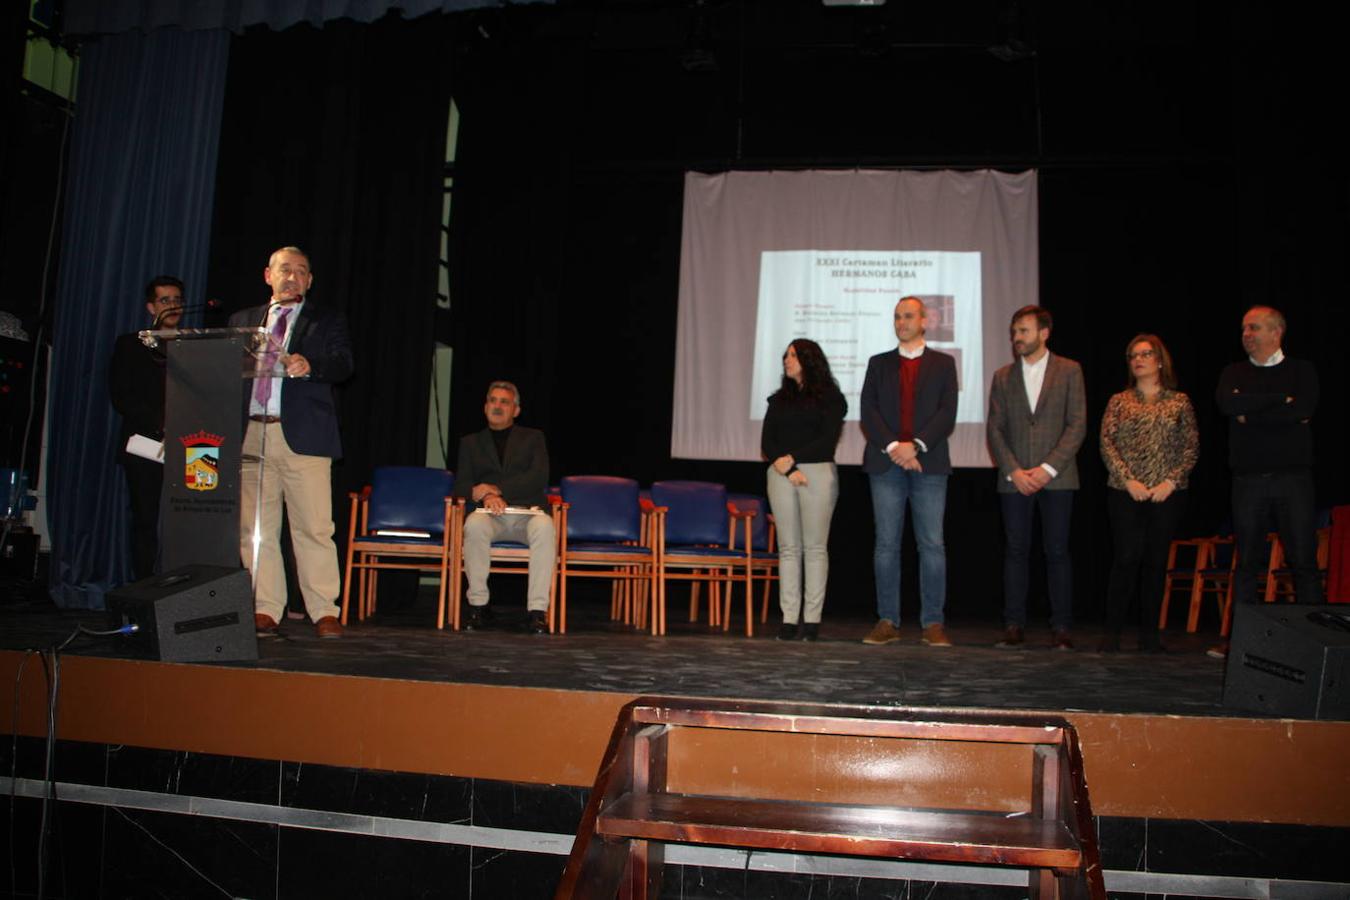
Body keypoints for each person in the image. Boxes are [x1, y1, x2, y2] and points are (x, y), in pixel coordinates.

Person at [230, 246, 353, 639]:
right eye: (286, 270)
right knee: (256, 529)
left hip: (304, 436)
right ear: (268, 274)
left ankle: (323, 610)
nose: (293, 277)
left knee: (314, 528)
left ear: (310, 280)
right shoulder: (244, 321)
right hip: (252, 431)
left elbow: (343, 364)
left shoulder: (326, 320)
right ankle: (265, 606)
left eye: (302, 272)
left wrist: (311, 366)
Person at [1210, 306, 1321, 659]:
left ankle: (1316, 642)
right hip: (1248, 481)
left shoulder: (1302, 371)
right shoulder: (1233, 372)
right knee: (1248, 563)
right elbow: (1229, 405)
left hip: (1293, 480)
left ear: (1277, 332)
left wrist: (1252, 412)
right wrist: (1278, 402)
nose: (1246, 334)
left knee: (1302, 560)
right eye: (1244, 328)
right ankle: (1241, 641)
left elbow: (1302, 409)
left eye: (1254, 327)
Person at [986, 305, 1087, 650]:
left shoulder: (1070, 370)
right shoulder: (1002, 376)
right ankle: (1014, 624)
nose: (1017, 338)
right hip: (1015, 479)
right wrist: (1014, 470)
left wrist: (1047, 469)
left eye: (1024, 331)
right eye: (1014, 332)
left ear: (1044, 333)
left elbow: (1077, 425)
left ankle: (1062, 627)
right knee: (1015, 550)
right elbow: (995, 430)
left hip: (1056, 478)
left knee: (1057, 551)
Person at [860, 296, 958, 647]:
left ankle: (932, 623)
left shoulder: (944, 364)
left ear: (925, 320)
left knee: (931, 545)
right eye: (897, 317)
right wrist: (894, 448)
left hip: (928, 464)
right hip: (885, 464)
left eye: (908, 316)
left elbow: (947, 412)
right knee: (886, 545)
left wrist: (914, 446)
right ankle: (888, 620)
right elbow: (868, 411)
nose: (901, 322)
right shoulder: (878, 363)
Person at [1099, 334, 1199, 652]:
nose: (1138, 360)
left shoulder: (1179, 401)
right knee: (1126, 558)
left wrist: (1171, 481)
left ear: (1159, 360)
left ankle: (1149, 636)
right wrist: (1128, 480)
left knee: (1156, 561)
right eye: (1133, 355)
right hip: (1125, 492)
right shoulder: (1119, 400)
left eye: (1145, 354)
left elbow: (1191, 446)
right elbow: (1107, 443)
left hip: (1167, 494)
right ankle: (1112, 633)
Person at [760, 339, 847, 641]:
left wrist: (794, 461)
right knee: (788, 548)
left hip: (816, 473)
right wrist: (785, 466)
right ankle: (788, 618)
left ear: (810, 360)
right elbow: (767, 442)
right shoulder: (778, 399)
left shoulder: (831, 398)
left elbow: (827, 440)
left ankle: (811, 620)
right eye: (786, 355)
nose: (787, 359)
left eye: (794, 355)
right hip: (781, 473)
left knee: (814, 548)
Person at [454, 381, 556, 635]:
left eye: (504, 402)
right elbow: (462, 484)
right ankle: (478, 606)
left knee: (545, 526)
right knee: (474, 525)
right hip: (489, 516)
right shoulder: (470, 443)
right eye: (493, 401)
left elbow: (538, 477)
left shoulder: (533, 438)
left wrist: (494, 490)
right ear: (485, 406)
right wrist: (482, 495)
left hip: (527, 514)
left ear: (516, 410)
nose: (497, 406)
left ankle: (537, 611)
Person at [109, 275, 184, 580]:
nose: (173, 306)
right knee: (146, 520)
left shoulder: (197, 344)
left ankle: (180, 587)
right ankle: (144, 588)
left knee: (184, 521)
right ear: (151, 306)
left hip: (190, 447)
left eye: (178, 300)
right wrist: (161, 424)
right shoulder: (131, 344)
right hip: (145, 445)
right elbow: (122, 396)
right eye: (165, 300)